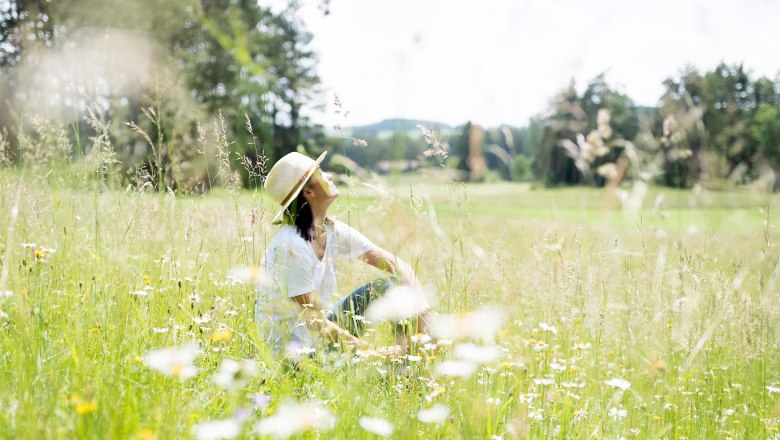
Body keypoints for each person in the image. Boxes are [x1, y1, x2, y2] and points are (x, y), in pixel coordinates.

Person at [256, 151, 430, 356]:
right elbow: (315, 323)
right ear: (309, 193)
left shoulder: (332, 230)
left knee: (395, 286)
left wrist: (425, 312)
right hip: (294, 353)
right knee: (374, 360)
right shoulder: (291, 246)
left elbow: (397, 265)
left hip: (320, 335)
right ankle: (403, 364)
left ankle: (416, 357)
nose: (329, 176)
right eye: (320, 173)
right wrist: (374, 353)